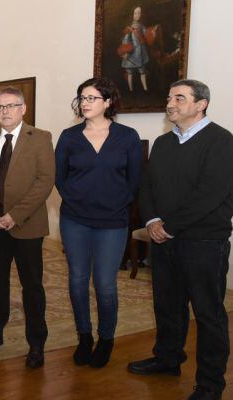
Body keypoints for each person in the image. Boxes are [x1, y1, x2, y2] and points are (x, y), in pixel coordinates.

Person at [127, 79, 233, 400]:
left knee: (208, 313)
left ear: (201, 104)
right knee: (167, 306)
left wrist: (170, 224)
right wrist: (152, 220)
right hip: (164, 239)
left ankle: (211, 384)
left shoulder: (222, 142)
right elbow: (147, 186)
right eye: (170, 96)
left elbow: (210, 195)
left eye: (179, 98)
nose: (170, 103)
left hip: (203, 242)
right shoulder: (163, 143)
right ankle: (168, 358)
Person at [55, 78, 142, 368]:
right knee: (78, 281)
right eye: (82, 97)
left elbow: (134, 180)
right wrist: (76, 201)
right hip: (75, 220)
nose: (86, 102)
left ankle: (106, 339)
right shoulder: (69, 136)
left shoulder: (127, 136)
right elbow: (60, 177)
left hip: (113, 221)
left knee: (105, 284)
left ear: (108, 103)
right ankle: (84, 336)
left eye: (92, 98)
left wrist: (117, 203)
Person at [0, 86, 55, 369]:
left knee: (31, 286)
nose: (4, 111)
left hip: (26, 225)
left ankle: (37, 343)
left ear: (23, 108)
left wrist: (14, 215)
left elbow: (45, 180)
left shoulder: (40, 138)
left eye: (10, 106)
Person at [119, 6, 150, 92]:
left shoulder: (142, 26)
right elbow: (125, 40)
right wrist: (125, 51)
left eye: (139, 13)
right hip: (131, 53)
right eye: (135, 13)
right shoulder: (129, 28)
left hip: (141, 53)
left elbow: (147, 37)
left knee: (142, 71)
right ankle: (130, 90)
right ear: (132, 14)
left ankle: (145, 89)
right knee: (130, 72)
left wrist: (151, 33)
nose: (137, 15)